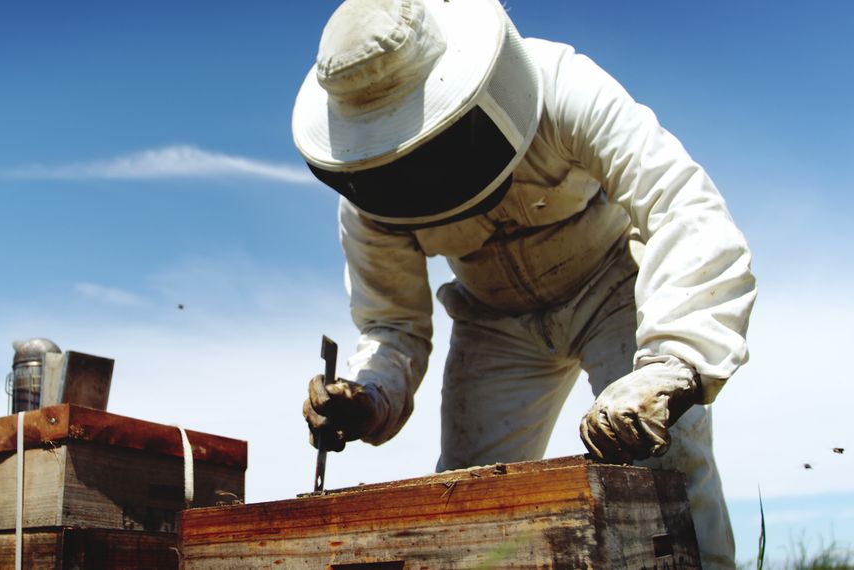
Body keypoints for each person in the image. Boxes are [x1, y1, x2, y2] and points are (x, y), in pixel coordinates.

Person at [293, 0, 756, 567]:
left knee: (667, 465)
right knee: (470, 500)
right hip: (495, 325)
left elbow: (681, 206)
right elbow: (391, 323)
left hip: (614, 288)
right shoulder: (368, 189)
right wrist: (368, 394)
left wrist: (675, 363)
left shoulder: (561, 84)